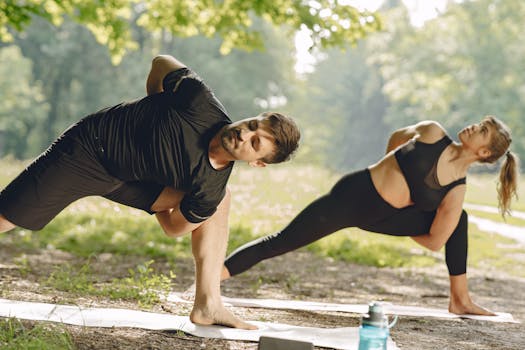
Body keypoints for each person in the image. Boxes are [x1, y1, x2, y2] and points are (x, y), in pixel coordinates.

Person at [0, 54, 300, 329]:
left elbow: (172, 227)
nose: (244, 134)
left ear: (258, 163)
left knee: (219, 201)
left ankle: (208, 305)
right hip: (87, 150)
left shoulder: (208, 188)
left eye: (255, 143)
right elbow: (161, 62)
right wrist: (156, 104)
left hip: (128, 180)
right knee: (4, 218)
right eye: (251, 125)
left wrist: (169, 197)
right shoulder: (198, 102)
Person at [221, 116, 518, 315]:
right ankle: (211, 280)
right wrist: (386, 171)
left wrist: (405, 208)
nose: (473, 127)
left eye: (482, 131)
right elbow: (396, 138)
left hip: (384, 216)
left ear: (483, 153)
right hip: (353, 196)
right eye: (480, 123)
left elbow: (434, 241)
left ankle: (460, 299)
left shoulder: (455, 190)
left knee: (460, 219)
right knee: (280, 242)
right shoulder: (432, 132)